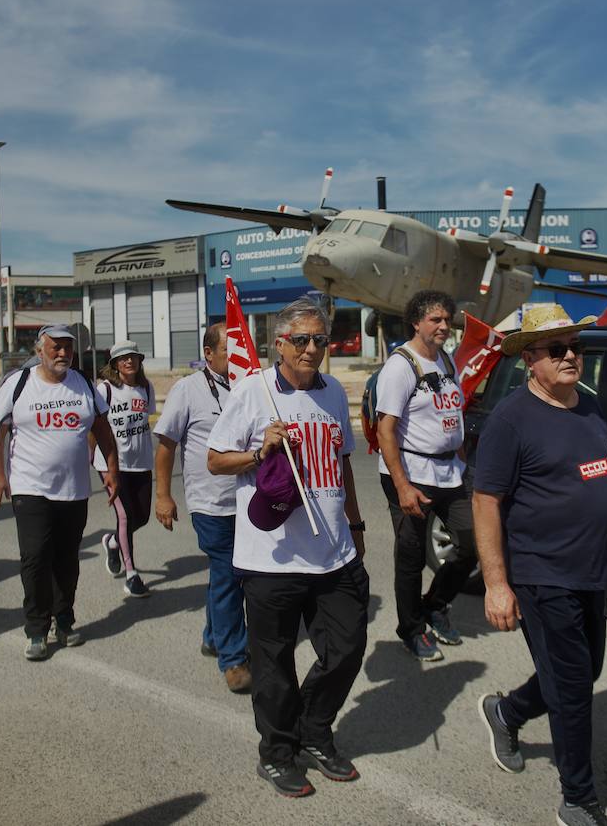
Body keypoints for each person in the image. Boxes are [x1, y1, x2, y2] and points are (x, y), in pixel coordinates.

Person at [207, 298, 368, 798]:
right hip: (270, 557)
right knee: (273, 665)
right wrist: (260, 452)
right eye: (302, 339)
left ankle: (314, 731)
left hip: (333, 550)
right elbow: (215, 460)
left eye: (321, 339)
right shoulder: (254, 393)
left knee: (346, 649)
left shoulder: (335, 393)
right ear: (280, 344)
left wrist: (357, 523)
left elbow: (342, 463)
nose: (313, 348)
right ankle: (277, 753)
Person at [471, 304, 607, 826]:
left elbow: (598, 476)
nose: (571, 355)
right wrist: (496, 584)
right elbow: (485, 500)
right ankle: (578, 798)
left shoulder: (591, 408)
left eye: (576, 345)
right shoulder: (511, 420)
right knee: (573, 687)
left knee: (586, 670)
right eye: (557, 349)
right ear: (530, 359)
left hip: (592, 569)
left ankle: (506, 712)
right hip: (541, 572)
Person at [0, 325, 118, 661]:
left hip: (73, 491)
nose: (62, 354)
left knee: (66, 560)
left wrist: (111, 470)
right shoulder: (19, 384)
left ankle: (65, 620)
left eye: (67, 349)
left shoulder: (84, 384)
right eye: (55, 348)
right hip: (30, 488)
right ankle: (36, 629)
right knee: (35, 557)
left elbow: (102, 428)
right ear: (40, 350)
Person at [376, 289, 477, 662]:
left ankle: (435, 605)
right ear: (416, 322)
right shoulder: (401, 365)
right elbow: (386, 429)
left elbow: (453, 419)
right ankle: (412, 629)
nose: (443, 326)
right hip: (411, 474)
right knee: (412, 556)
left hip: (450, 471)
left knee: (470, 544)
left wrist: (463, 462)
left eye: (446, 320)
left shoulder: (447, 361)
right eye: (435, 319)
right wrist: (402, 486)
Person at [154, 322, 250, 693]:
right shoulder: (188, 390)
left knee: (227, 576)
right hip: (210, 504)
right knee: (229, 574)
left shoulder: (249, 387)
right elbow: (165, 445)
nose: (237, 356)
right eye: (229, 350)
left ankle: (214, 635)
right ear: (209, 354)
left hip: (247, 501)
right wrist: (163, 495)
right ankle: (234, 659)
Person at [92, 340, 155, 598]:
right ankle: (131, 574)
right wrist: (101, 465)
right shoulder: (104, 389)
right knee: (125, 517)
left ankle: (113, 542)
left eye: (133, 357)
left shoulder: (145, 388)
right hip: (111, 465)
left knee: (141, 517)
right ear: (115, 364)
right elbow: (94, 428)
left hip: (141, 462)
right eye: (123, 358)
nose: (129, 361)